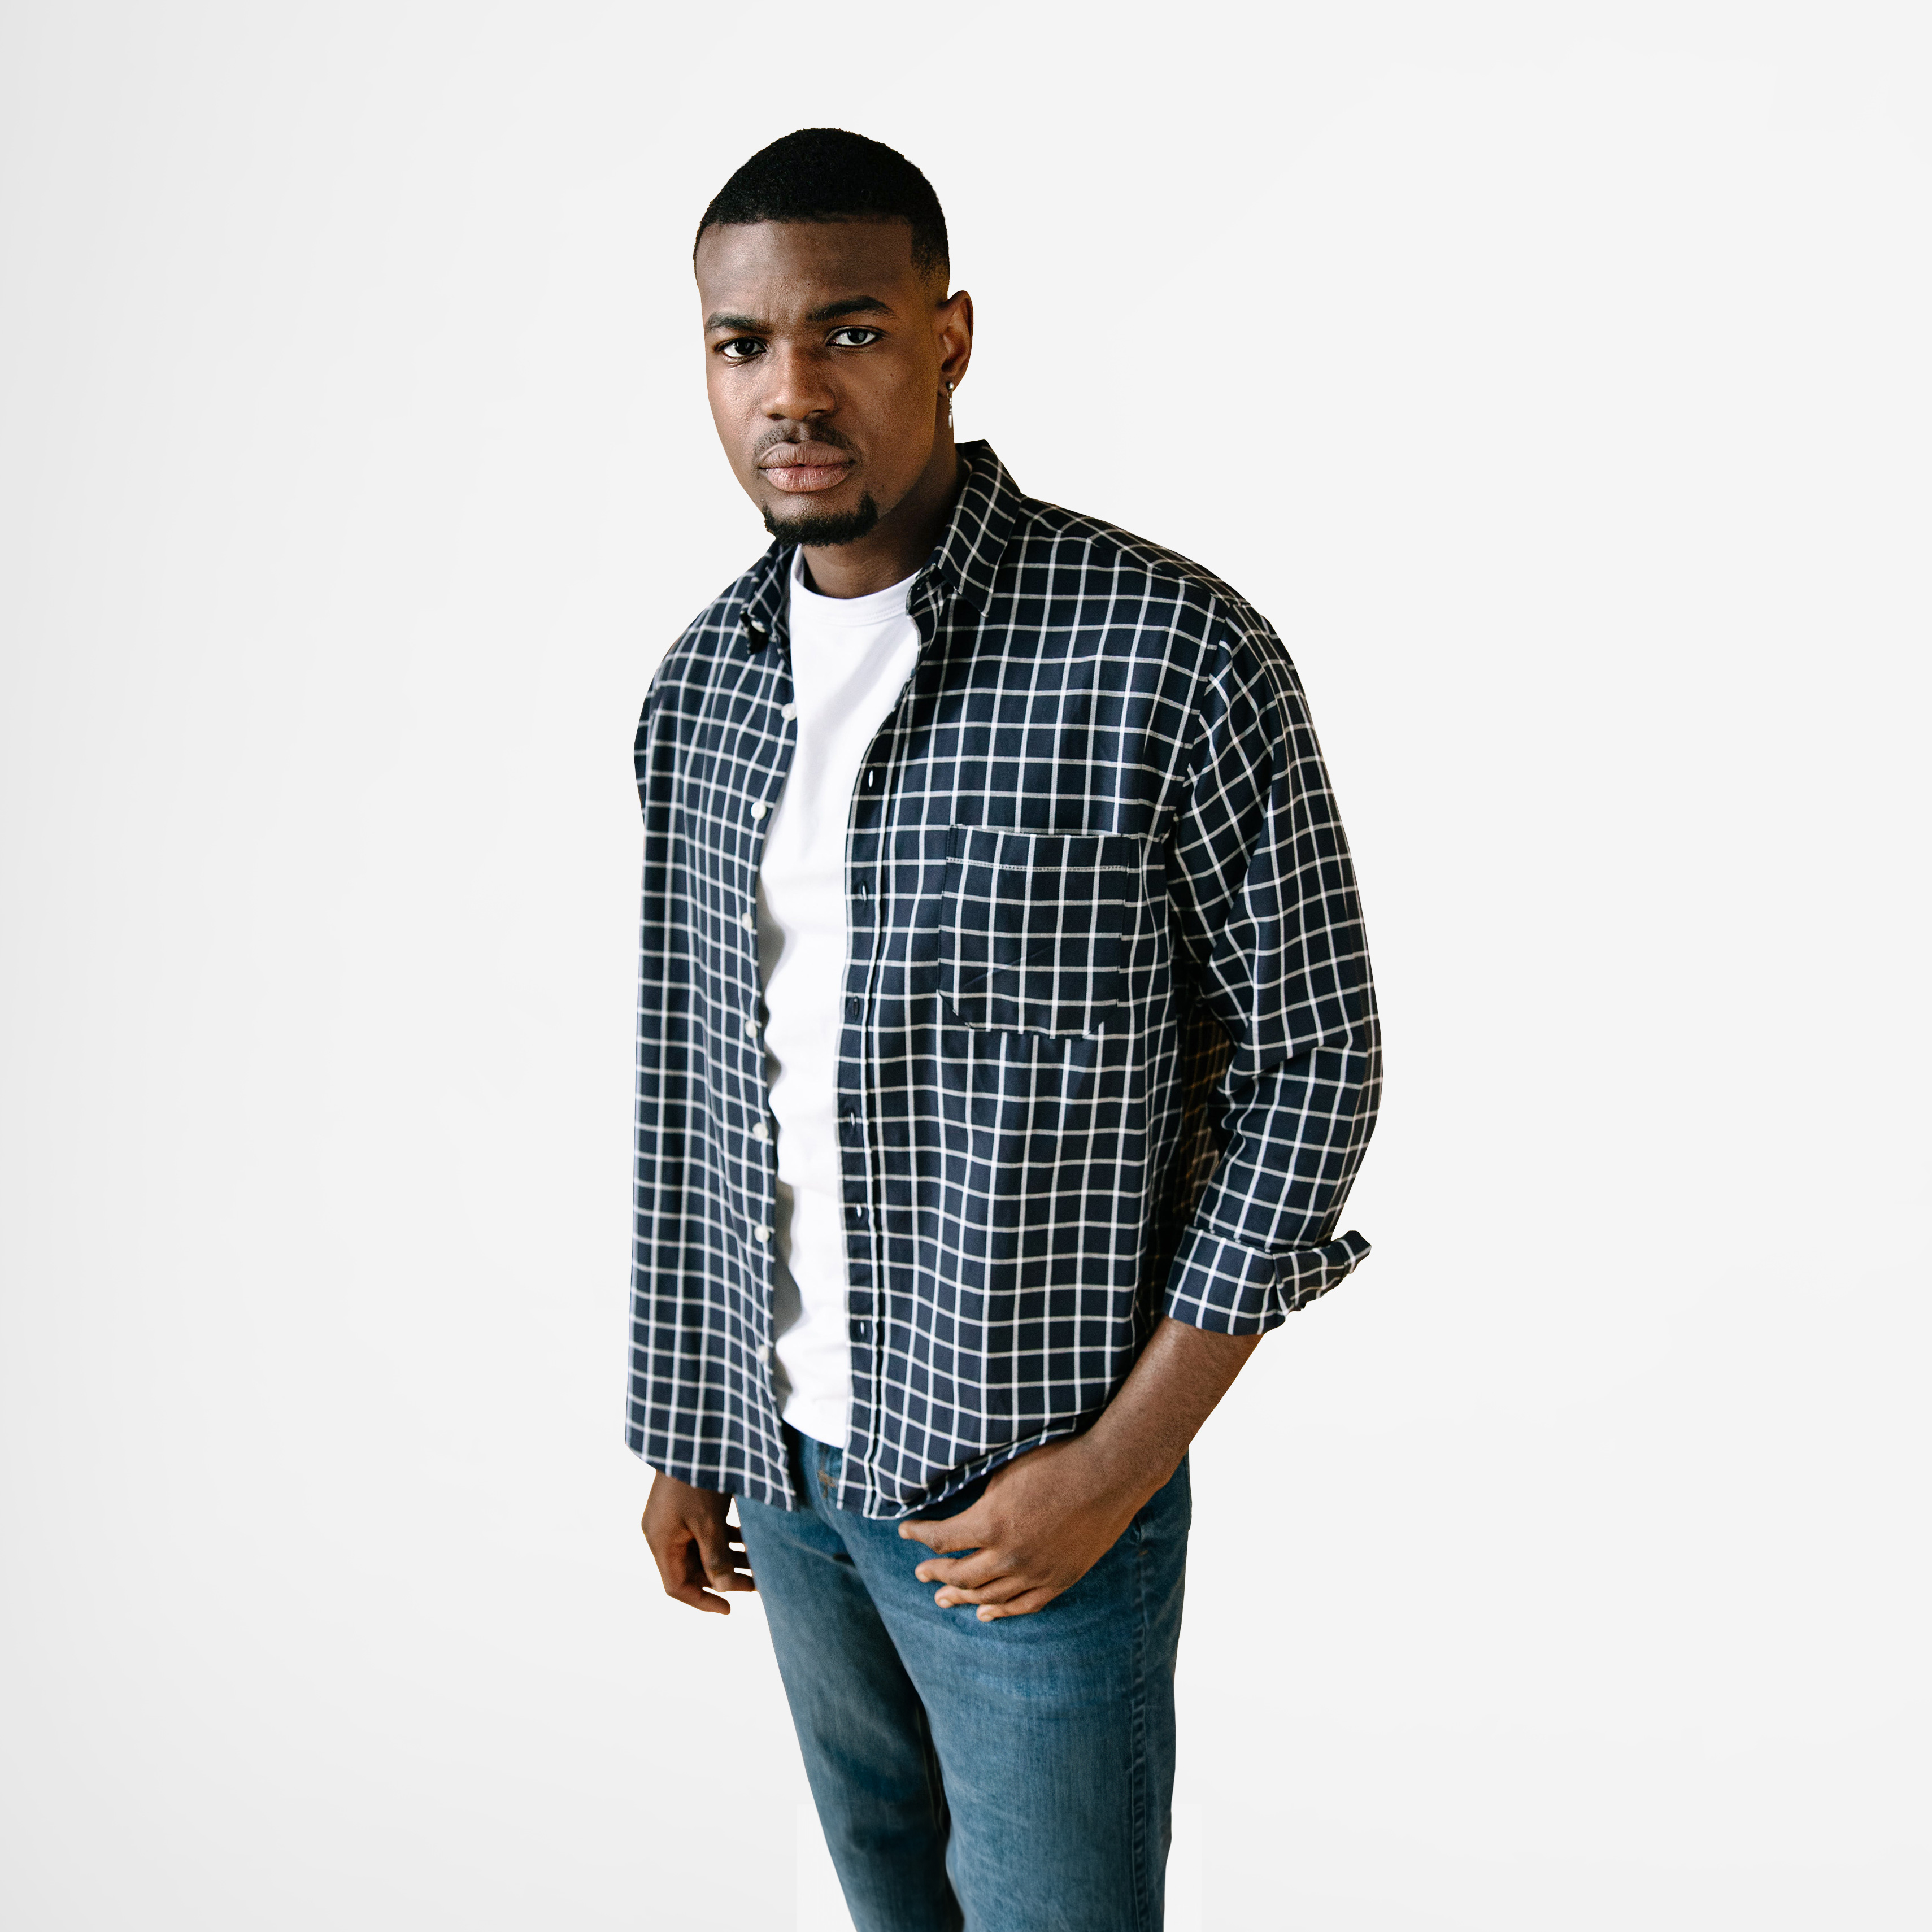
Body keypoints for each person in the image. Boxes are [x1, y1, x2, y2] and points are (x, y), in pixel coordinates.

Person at [629, 127, 1381, 1932]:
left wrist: (1113, 1469)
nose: (792, 390)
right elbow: (696, 1075)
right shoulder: (701, 688)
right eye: (742, 344)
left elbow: (1314, 1062)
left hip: (1029, 1495)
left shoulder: (1167, 654)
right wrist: (686, 1418)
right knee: (890, 1906)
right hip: (783, 1481)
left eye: (850, 331)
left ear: (949, 338)